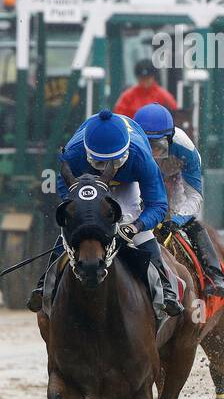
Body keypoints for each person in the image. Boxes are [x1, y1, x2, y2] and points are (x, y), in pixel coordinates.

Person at [27, 109, 182, 318]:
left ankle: (165, 289)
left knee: (139, 231)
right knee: (72, 230)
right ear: (88, 153)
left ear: (126, 152)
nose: (107, 169)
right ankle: (44, 283)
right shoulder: (73, 153)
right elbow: (65, 190)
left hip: (128, 185)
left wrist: (135, 226)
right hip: (85, 182)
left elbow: (158, 206)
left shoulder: (141, 157)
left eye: (115, 162)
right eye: (100, 163)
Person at [132, 103, 224, 298]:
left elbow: (194, 196)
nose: (152, 153)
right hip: (138, 181)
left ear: (170, 138)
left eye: (158, 146)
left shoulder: (186, 149)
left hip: (172, 180)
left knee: (188, 222)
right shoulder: (128, 143)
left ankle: (213, 274)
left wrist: (176, 221)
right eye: (147, 145)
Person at [114, 59, 178, 118]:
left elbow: (174, 110)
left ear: (153, 77)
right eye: (142, 78)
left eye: (148, 78)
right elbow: (119, 115)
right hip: (133, 129)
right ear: (137, 78)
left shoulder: (163, 95)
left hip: (157, 129)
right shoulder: (128, 96)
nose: (145, 81)